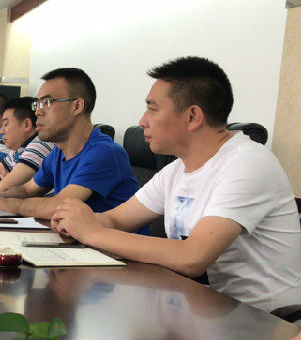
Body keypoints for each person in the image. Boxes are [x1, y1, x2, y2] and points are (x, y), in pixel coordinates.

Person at [50, 56, 301, 312]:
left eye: (152, 109)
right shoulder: (177, 169)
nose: (142, 121)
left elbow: (192, 257)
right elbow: (116, 220)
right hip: (200, 307)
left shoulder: (248, 164)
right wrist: (76, 222)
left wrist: (93, 232)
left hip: (264, 320)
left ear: (192, 117)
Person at [0, 68, 138, 219]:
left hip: (112, 242)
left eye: (47, 103)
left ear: (77, 106)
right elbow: (27, 189)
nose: (38, 112)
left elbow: (59, 205)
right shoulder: (58, 153)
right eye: (37, 104)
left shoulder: (104, 152)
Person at [0, 97, 54, 193]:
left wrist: (2, 184)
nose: (1, 131)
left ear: (26, 124)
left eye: (6, 124)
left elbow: (4, 189)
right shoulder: (17, 151)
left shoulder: (40, 144)